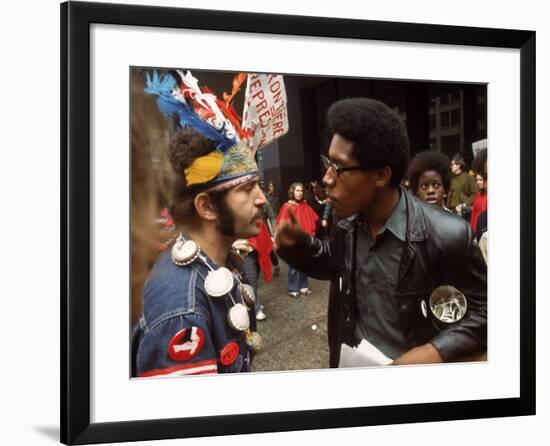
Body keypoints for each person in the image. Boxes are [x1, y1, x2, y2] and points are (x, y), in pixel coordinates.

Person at [275, 97, 487, 367]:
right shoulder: (346, 223)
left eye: (339, 168)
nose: (327, 178)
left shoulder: (449, 235)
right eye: (328, 162)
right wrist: (298, 244)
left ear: (381, 176)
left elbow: (488, 312)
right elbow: (335, 264)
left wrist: (433, 352)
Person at [132, 70, 267, 377]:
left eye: (257, 186)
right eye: (246, 189)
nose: (262, 200)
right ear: (206, 206)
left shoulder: (219, 264)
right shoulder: (182, 311)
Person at [276, 182, 319, 297]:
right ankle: (293, 288)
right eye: (297, 191)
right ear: (292, 192)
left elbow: (312, 220)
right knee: (294, 265)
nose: (299, 193)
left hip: (305, 240)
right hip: (293, 241)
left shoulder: (305, 205)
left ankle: (303, 286)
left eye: (301, 191)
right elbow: (282, 224)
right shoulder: (287, 206)